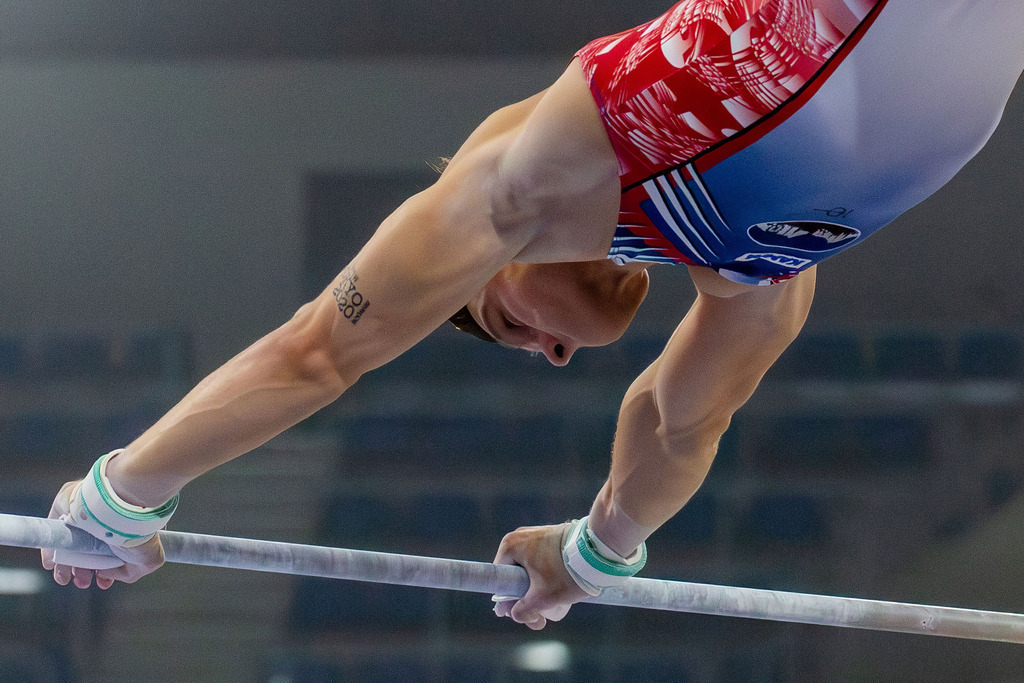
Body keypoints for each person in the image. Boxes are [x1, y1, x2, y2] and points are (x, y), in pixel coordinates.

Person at [41, 0, 1024, 630]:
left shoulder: (517, 188)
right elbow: (677, 421)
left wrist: (120, 491)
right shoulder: (760, 278)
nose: (556, 354)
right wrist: (594, 547)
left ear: (490, 275)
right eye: (549, 353)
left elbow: (317, 351)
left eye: (513, 329)